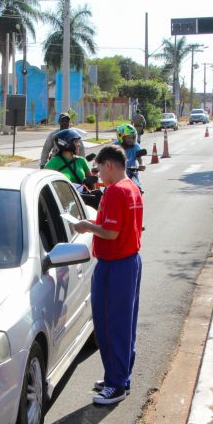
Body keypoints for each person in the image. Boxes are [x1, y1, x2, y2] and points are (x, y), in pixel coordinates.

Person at [75, 145, 144, 406]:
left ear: (110, 165)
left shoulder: (116, 191)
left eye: (100, 169)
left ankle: (116, 384)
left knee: (110, 324)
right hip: (127, 261)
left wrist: (87, 226)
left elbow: (111, 233)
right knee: (122, 324)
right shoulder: (132, 187)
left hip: (116, 264)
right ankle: (119, 376)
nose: (99, 175)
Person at [115, 124, 145, 193]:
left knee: (138, 189)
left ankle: (137, 203)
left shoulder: (135, 146)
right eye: (128, 137)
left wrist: (141, 164)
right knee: (107, 190)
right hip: (116, 174)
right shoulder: (115, 146)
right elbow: (106, 158)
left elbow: (139, 157)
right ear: (121, 136)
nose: (131, 140)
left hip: (131, 173)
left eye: (133, 137)